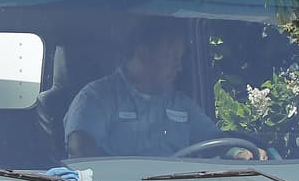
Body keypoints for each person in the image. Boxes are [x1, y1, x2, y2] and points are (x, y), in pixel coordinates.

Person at [64, 19, 248, 158]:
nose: (179, 67)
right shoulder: (97, 97)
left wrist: (237, 153)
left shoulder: (182, 104)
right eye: (172, 57)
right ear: (144, 53)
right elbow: (80, 149)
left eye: (179, 58)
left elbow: (213, 140)